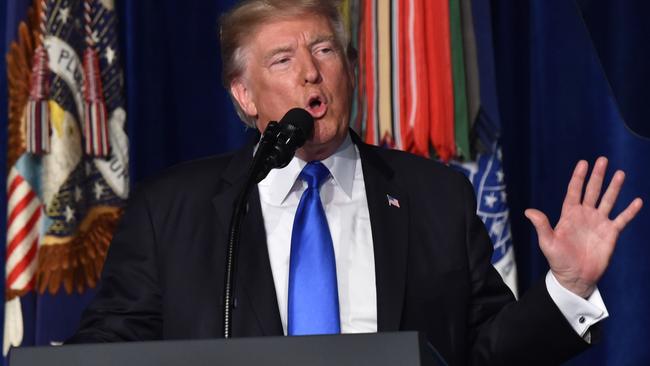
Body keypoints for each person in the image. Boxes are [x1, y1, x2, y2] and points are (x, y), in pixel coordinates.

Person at [68, 1, 643, 365]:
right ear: (243, 96)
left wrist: (566, 289)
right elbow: (113, 348)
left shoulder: (434, 196)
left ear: (350, 68)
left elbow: (486, 348)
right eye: (282, 60)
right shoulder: (172, 209)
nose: (310, 72)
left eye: (323, 49)